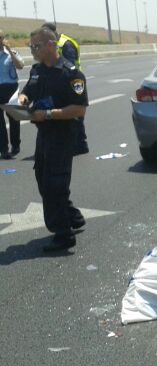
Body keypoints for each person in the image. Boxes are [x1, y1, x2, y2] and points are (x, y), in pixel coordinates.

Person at [17, 26, 87, 251]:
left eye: (36, 46)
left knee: (55, 183)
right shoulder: (37, 70)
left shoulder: (71, 73)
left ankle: (63, 234)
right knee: (42, 177)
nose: (33, 50)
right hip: (44, 134)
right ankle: (72, 216)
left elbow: (79, 109)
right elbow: (28, 89)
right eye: (31, 46)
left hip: (63, 134)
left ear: (50, 45)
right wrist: (23, 97)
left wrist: (47, 114)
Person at [42, 22, 88, 155]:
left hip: (73, 82)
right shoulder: (54, 44)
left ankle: (80, 145)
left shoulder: (65, 44)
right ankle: (76, 144)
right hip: (64, 83)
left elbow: (69, 66)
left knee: (75, 114)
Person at [0, 30, 24, 159]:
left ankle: (15, 145)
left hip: (11, 89)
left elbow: (20, 66)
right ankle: (3, 148)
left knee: (14, 119)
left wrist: (9, 50)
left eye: (0, 37)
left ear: (4, 38)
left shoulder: (11, 53)